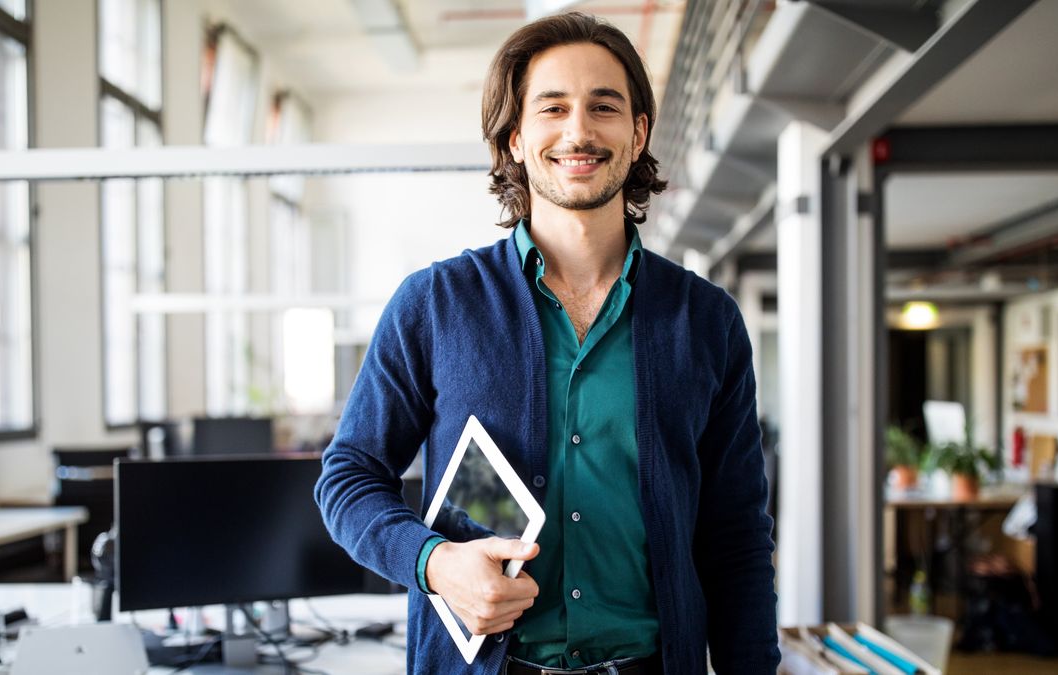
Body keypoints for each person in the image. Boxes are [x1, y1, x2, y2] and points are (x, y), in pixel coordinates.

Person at [315, 11, 778, 675]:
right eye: (553, 107)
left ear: (639, 131)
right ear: (515, 138)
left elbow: (736, 537)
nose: (579, 131)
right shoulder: (435, 304)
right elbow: (348, 477)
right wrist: (436, 563)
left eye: (604, 107)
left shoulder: (706, 320)